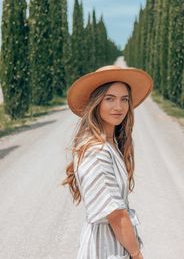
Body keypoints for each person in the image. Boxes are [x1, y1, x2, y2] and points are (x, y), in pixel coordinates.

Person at [62, 65, 153, 259]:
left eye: (124, 99)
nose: (118, 107)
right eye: (109, 99)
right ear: (97, 102)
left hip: (114, 247)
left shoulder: (111, 144)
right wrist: (137, 255)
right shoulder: (97, 151)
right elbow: (116, 214)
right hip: (104, 249)